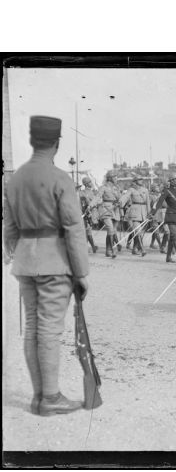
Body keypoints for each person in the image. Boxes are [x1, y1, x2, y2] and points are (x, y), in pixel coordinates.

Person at [3, 116, 89, 416]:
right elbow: (74, 229)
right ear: (56, 142)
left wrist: (16, 252)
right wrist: (81, 273)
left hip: (26, 262)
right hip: (56, 262)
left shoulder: (15, 179)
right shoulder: (60, 178)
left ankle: (39, 396)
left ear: (31, 140)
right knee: (49, 330)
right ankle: (50, 398)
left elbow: (10, 227)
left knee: (33, 330)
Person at [150, 175, 176, 264]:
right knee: (174, 235)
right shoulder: (167, 191)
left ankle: (168, 257)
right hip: (171, 216)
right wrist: (152, 212)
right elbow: (159, 202)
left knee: (173, 237)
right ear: (172, 181)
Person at [120, 175, 150, 256]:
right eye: (139, 179)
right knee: (138, 231)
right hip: (134, 212)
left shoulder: (145, 190)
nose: (141, 180)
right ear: (135, 181)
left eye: (141, 179)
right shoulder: (131, 189)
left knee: (140, 232)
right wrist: (120, 203)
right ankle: (142, 249)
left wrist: (149, 213)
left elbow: (148, 202)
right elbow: (125, 197)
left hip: (143, 212)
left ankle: (135, 248)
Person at [97, 172, 122, 258]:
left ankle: (108, 250)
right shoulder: (103, 187)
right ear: (110, 178)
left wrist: (120, 203)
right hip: (106, 209)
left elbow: (120, 198)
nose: (116, 179)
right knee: (110, 229)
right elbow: (97, 197)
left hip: (115, 210)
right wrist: (91, 205)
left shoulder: (116, 188)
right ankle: (112, 250)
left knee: (112, 231)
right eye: (115, 178)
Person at [79, 176, 101, 253]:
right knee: (87, 230)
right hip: (86, 213)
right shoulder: (82, 192)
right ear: (85, 184)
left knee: (88, 230)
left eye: (91, 182)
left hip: (92, 213)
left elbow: (98, 201)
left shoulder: (93, 192)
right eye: (89, 182)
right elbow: (83, 203)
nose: (91, 183)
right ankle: (88, 247)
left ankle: (92, 247)